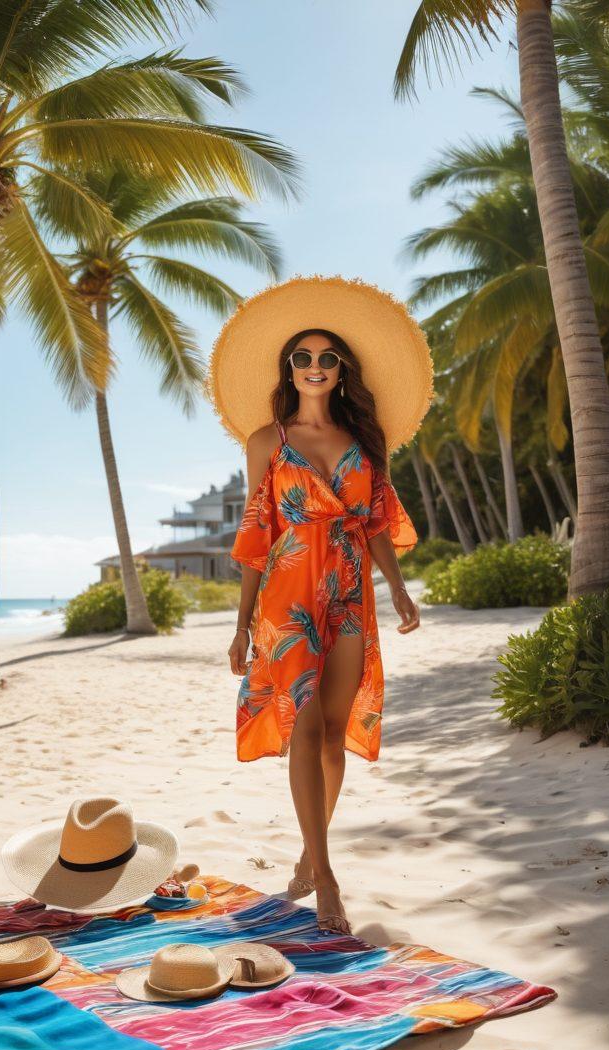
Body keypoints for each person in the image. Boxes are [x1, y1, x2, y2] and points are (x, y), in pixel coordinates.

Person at [207, 277, 433, 937]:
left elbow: (374, 523)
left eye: (325, 358)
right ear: (289, 370)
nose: (312, 366)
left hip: (350, 592)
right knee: (303, 727)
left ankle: (312, 846)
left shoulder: (368, 440)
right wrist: (241, 624)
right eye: (301, 357)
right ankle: (327, 877)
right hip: (287, 592)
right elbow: (255, 531)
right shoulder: (264, 441)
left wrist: (395, 585)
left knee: (335, 733)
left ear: (341, 373)